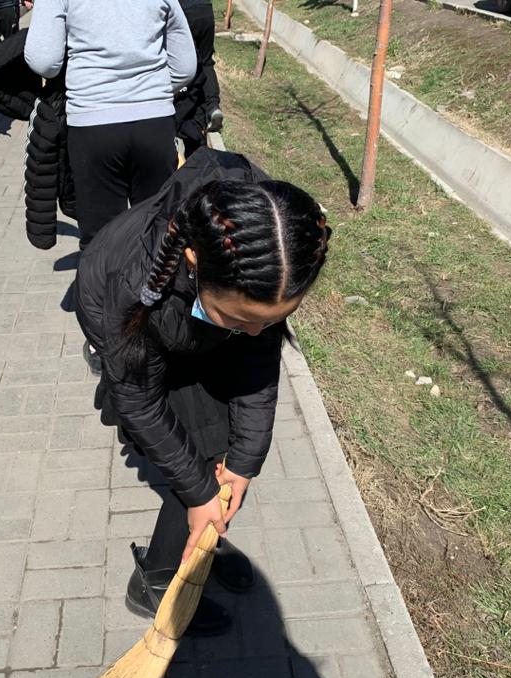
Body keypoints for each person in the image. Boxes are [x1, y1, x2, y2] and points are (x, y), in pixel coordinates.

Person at [74, 148, 329, 635]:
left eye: (269, 322)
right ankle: (156, 581)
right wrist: (200, 491)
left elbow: (256, 365)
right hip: (131, 328)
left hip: (193, 322)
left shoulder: (265, 248)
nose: (255, 334)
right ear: (194, 260)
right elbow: (140, 401)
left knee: (226, 454)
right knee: (198, 451)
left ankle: (206, 533)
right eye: (239, 319)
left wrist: (244, 463)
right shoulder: (136, 284)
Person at [24, 0, 197, 250]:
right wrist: (152, 92)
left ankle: (105, 275)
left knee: (101, 242)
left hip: (92, 122)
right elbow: (185, 66)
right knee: (158, 234)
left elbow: (44, 61)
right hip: (154, 122)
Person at [175, 0, 223, 158]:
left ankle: (182, 120)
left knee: (188, 64)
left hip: (184, 12)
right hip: (205, 9)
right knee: (207, 62)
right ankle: (213, 106)